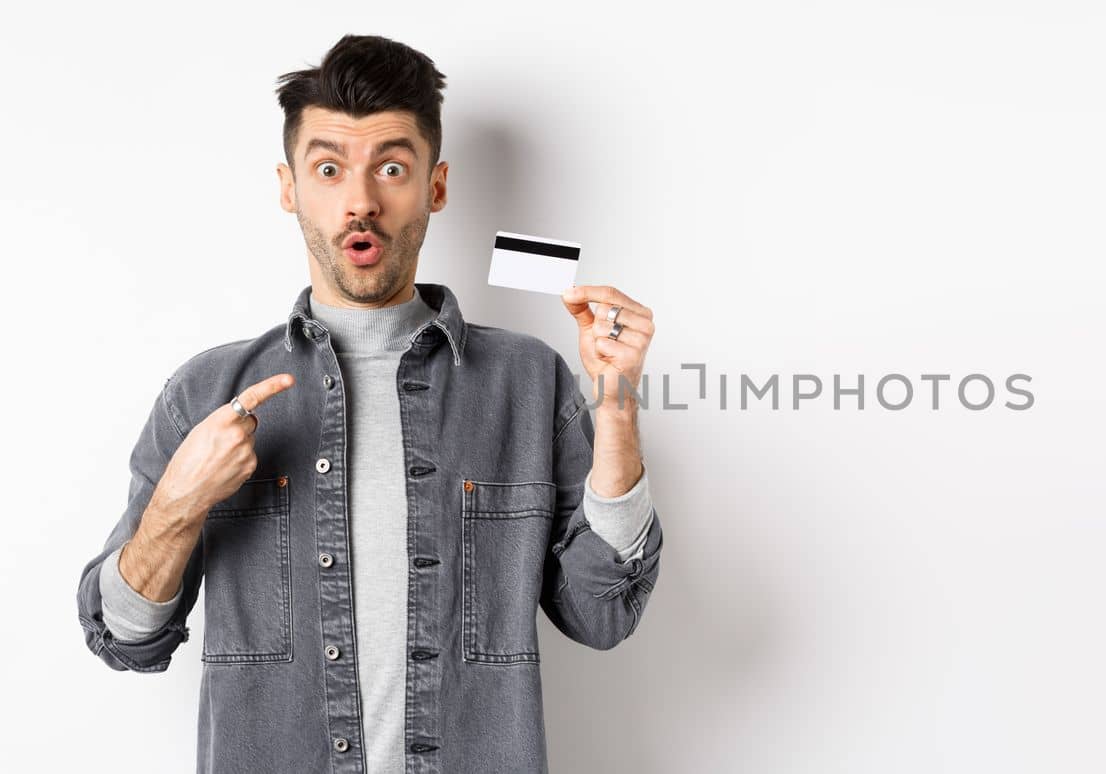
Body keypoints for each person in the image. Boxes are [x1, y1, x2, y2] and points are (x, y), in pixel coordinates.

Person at [73, 34, 664, 773]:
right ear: (289, 188)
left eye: (391, 168)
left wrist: (616, 412)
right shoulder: (206, 393)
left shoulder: (528, 381)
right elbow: (125, 639)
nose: (360, 202)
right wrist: (177, 506)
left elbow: (601, 614)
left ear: (436, 187)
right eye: (328, 169)